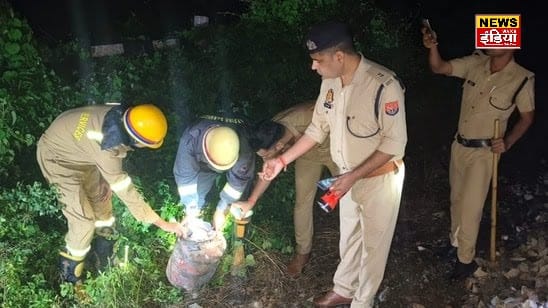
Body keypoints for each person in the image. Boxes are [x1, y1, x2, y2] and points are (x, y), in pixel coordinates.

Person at [261, 21, 407, 307]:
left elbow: (394, 144)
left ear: (339, 56)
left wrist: (353, 176)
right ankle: (344, 289)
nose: (313, 67)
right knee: (349, 239)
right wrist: (281, 159)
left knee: (372, 248)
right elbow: (317, 129)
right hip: (346, 179)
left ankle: (362, 301)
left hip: (379, 181)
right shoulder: (329, 83)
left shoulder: (383, 85)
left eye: (318, 61)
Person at [422, 24, 535, 279]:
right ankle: (454, 245)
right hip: (459, 145)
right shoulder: (475, 63)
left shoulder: (522, 78)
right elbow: (439, 68)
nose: (489, 40)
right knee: (457, 200)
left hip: (484, 153)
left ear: (512, 44)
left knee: (471, 208)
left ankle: (465, 260)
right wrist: (433, 47)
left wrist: (507, 142)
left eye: (497, 37)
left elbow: (527, 117)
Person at [36, 103, 184, 285]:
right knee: (83, 221)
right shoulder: (108, 145)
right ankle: (70, 278)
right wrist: (162, 224)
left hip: (81, 154)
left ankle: (104, 258)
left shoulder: (119, 115)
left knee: (103, 207)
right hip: (57, 159)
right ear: (135, 139)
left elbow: (94, 148)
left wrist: (105, 178)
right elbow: (125, 190)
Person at [232, 100, 338, 278]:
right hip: (308, 156)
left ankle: (355, 252)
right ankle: (302, 253)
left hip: (335, 149)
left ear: (279, 146)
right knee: (302, 201)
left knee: (351, 197)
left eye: (267, 155)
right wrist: (251, 201)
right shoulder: (271, 131)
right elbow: (268, 172)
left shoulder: (306, 116)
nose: (265, 159)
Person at [173, 116, 256, 230]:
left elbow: (238, 184)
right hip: (204, 165)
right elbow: (185, 179)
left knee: (240, 203)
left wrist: (222, 210)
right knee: (195, 201)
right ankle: (196, 212)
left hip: (237, 155)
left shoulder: (244, 152)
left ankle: (239, 235)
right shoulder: (190, 139)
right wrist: (191, 208)